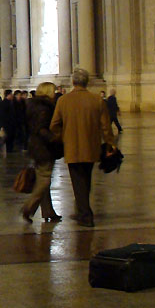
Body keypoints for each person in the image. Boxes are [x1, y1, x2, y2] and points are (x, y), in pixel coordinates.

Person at [49, 68, 116, 228]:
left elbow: (54, 125)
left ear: (73, 82)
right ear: (87, 82)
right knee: (86, 179)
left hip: (72, 147)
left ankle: (85, 214)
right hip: (91, 146)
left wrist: (62, 137)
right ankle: (82, 210)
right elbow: (106, 127)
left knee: (77, 180)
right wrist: (110, 144)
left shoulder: (63, 101)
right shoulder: (97, 100)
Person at [21, 82, 62, 224]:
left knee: (43, 179)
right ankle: (28, 207)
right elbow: (42, 128)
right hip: (43, 148)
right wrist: (55, 139)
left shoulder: (32, 105)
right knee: (44, 180)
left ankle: (48, 211)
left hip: (35, 146)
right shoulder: (44, 108)